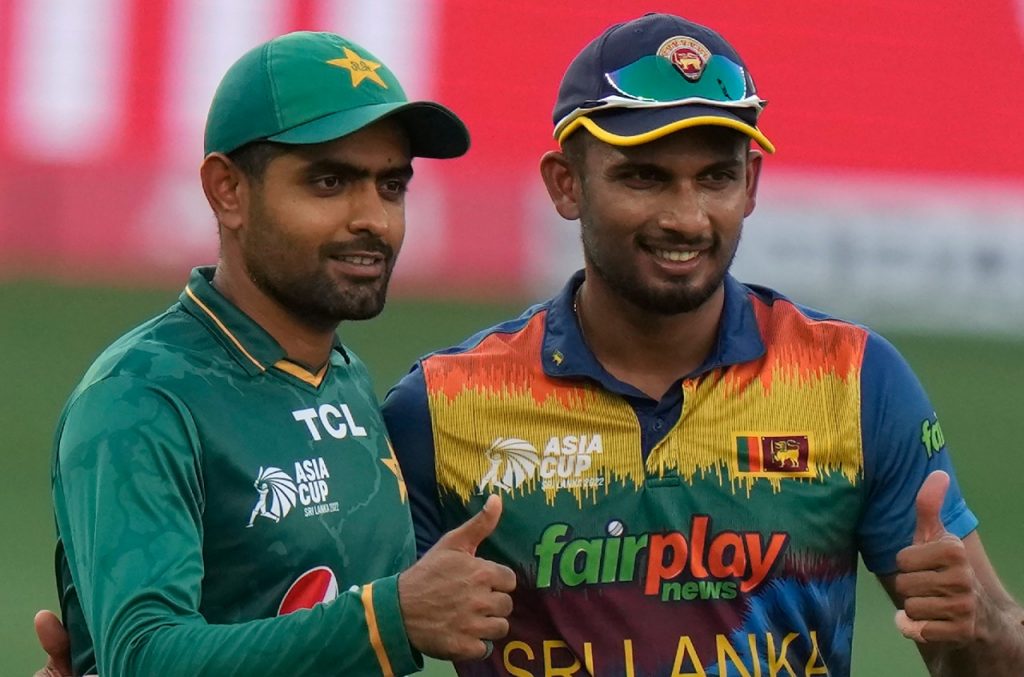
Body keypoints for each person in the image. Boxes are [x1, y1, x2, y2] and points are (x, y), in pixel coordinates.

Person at [380, 12, 1024, 677]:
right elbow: (348, 636)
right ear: (566, 183)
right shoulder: (440, 406)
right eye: (644, 177)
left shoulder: (854, 381)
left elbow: (989, 652)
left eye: (715, 178)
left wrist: (979, 624)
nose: (686, 218)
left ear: (751, 184)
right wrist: (398, 614)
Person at [42, 30, 515, 677]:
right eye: (329, 181)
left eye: (391, 186)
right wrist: (391, 620)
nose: (373, 218)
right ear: (227, 190)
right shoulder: (141, 397)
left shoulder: (345, 380)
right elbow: (144, 656)